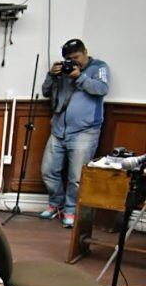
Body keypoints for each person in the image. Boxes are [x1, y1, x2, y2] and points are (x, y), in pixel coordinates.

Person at [40, 39, 109, 228]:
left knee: (76, 177)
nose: (73, 62)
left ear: (85, 52)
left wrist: (79, 76)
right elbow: (46, 92)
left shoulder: (99, 67)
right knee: (48, 171)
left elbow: (102, 89)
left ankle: (70, 210)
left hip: (84, 131)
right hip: (58, 130)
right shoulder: (63, 70)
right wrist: (52, 75)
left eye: (76, 57)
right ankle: (56, 204)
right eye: (69, 59)